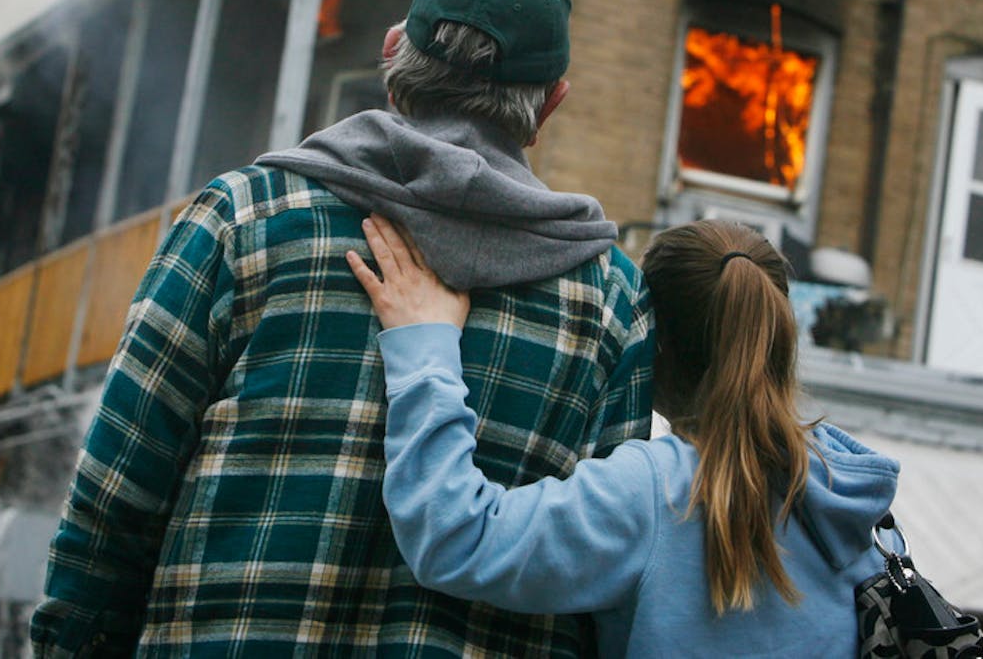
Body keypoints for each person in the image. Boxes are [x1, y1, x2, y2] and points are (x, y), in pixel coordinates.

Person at [30, 0, 656, 656]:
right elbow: (607, 575)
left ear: (394, 56)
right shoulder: (613, 301)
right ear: (550, 103)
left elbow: (114, 502)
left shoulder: (240, 221)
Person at [348, 215, 900, 658]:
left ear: (653, 342)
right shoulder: (855, 501)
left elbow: (456, 540)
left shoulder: (654, 495)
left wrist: (425, 351)